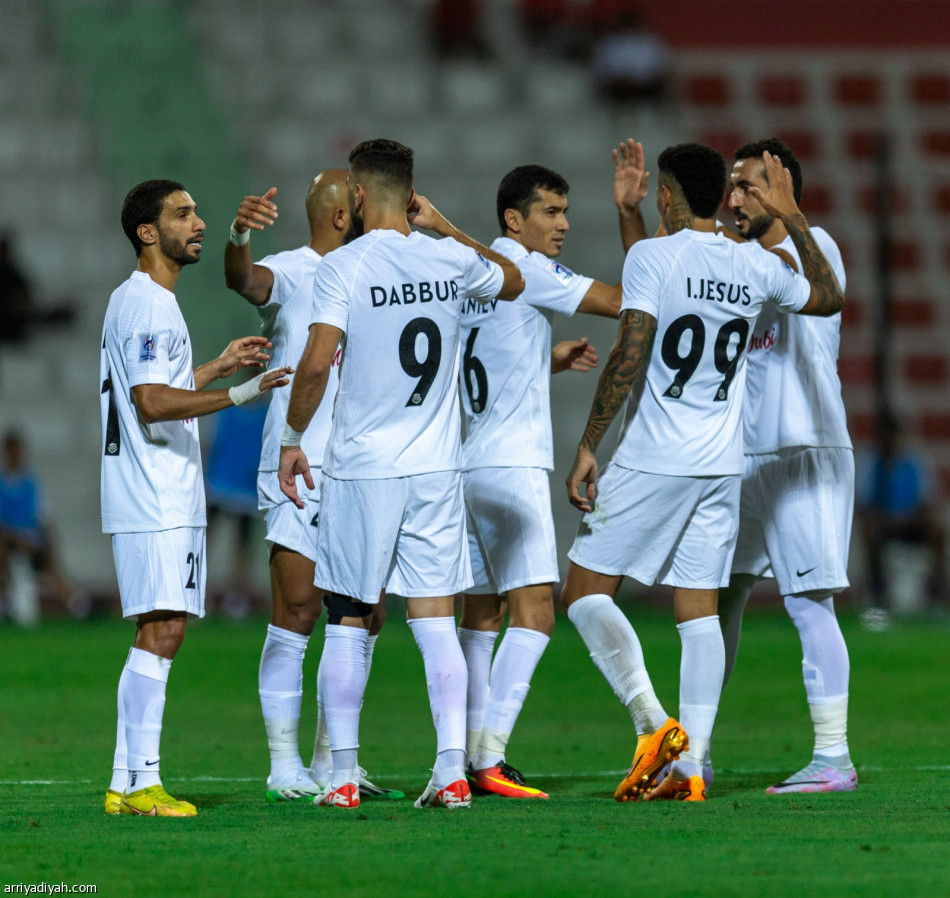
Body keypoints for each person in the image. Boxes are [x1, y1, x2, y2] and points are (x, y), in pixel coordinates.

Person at [559, 144, 844, 803]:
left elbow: (633, 348)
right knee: (698, 612)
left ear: (666, 195)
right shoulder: (756, 263)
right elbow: (827, 297)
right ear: (721, 195)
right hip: (721, 463)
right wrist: (794, 218)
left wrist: (589, 442)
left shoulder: (653, 255)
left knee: (583, 592)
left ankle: (654, 724)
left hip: (654, 453)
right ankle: (691, 772)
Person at [278, 139, 524, 810]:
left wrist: (295, 437)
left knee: (348, 617)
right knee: (435, 618)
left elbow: (317, 360)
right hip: (436, 467)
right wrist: (448, 227)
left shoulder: (346, 266)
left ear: (357, 196)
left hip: (365, 466)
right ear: (410, 190)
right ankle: (449, 771)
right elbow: (513, 279)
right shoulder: (448, 258)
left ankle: (342, 777)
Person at [457, 140, 648, 799]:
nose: (563, 224)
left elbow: (481, 362)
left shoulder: (475, 273)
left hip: (469, 463)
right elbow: (628, 298)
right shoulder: (524, 267)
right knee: (536, 612)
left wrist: (547, 361)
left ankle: (462, 754)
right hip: (512, 466)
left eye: (567, 212)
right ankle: (489, 756)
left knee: (482, 615)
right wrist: (634, 219)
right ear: (515, 220)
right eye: (550, 211)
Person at [101, 179, 291, 818]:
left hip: (146, 489)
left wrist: (214, 368)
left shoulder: (137, 301)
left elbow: (155, 386)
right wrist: (240, 394)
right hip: (157, 491)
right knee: (165, 629)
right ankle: (143, 784)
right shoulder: (150, 304)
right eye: (182, 215)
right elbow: (151, 403)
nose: (199, 223)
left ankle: (124, 782)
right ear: (148, 233)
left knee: (155, 630)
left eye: (197, 212)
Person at [224, 173, 401, 803]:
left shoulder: (376, 270)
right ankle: (282, 765)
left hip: (361, 464)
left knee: (366, 614)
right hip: (297, 464)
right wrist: (241, 233)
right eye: (357, 202)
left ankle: (334, 763)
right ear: (339, 214)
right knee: (297, 610)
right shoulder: (295, 270)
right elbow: (245, 281)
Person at [715, 138, 859, 794]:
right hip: (743, 457)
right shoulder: (733, 260)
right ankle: (698, 747)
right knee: (720, 597)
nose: (736, 198)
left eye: (751, 186)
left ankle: (834, 757)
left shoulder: (816, 245)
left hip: (805, 450)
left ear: (785, 192)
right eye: (733, 186)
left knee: (807, 602)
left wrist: (790, 212)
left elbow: (806, 283)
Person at [856, 410, 946, 620]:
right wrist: (885, 519)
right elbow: (863, 503)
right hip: (884, 522)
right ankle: (878, 590)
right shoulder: (870, 462)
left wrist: (911, 518)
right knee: (869, 531)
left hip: (911, 521)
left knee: (938, 531)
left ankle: (937, 591)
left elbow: (928, 500)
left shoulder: (916, 461)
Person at [0, 430, 80, 624]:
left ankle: (75, 602)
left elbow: (43, 516)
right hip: (7, 536)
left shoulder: (31, 481)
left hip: (30, 537)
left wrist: (48, 542)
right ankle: (6, 594)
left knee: (48, 563)